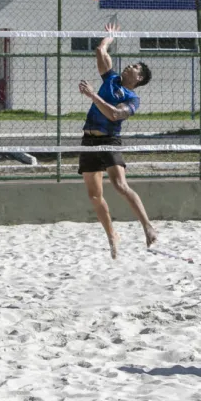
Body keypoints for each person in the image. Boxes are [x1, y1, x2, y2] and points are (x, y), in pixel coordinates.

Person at [78, 21, 156, 259]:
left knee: (120, 186)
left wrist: (92, 95)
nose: (128, 66)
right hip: (89, 140)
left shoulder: (133, 98)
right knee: (94, 195)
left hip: (110, 140)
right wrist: (109, 37)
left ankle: (148, 227)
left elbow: (114, 114)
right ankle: (112, 235)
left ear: (139, 77)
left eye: (133, 66)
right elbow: (100, 51)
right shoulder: (110, 78)